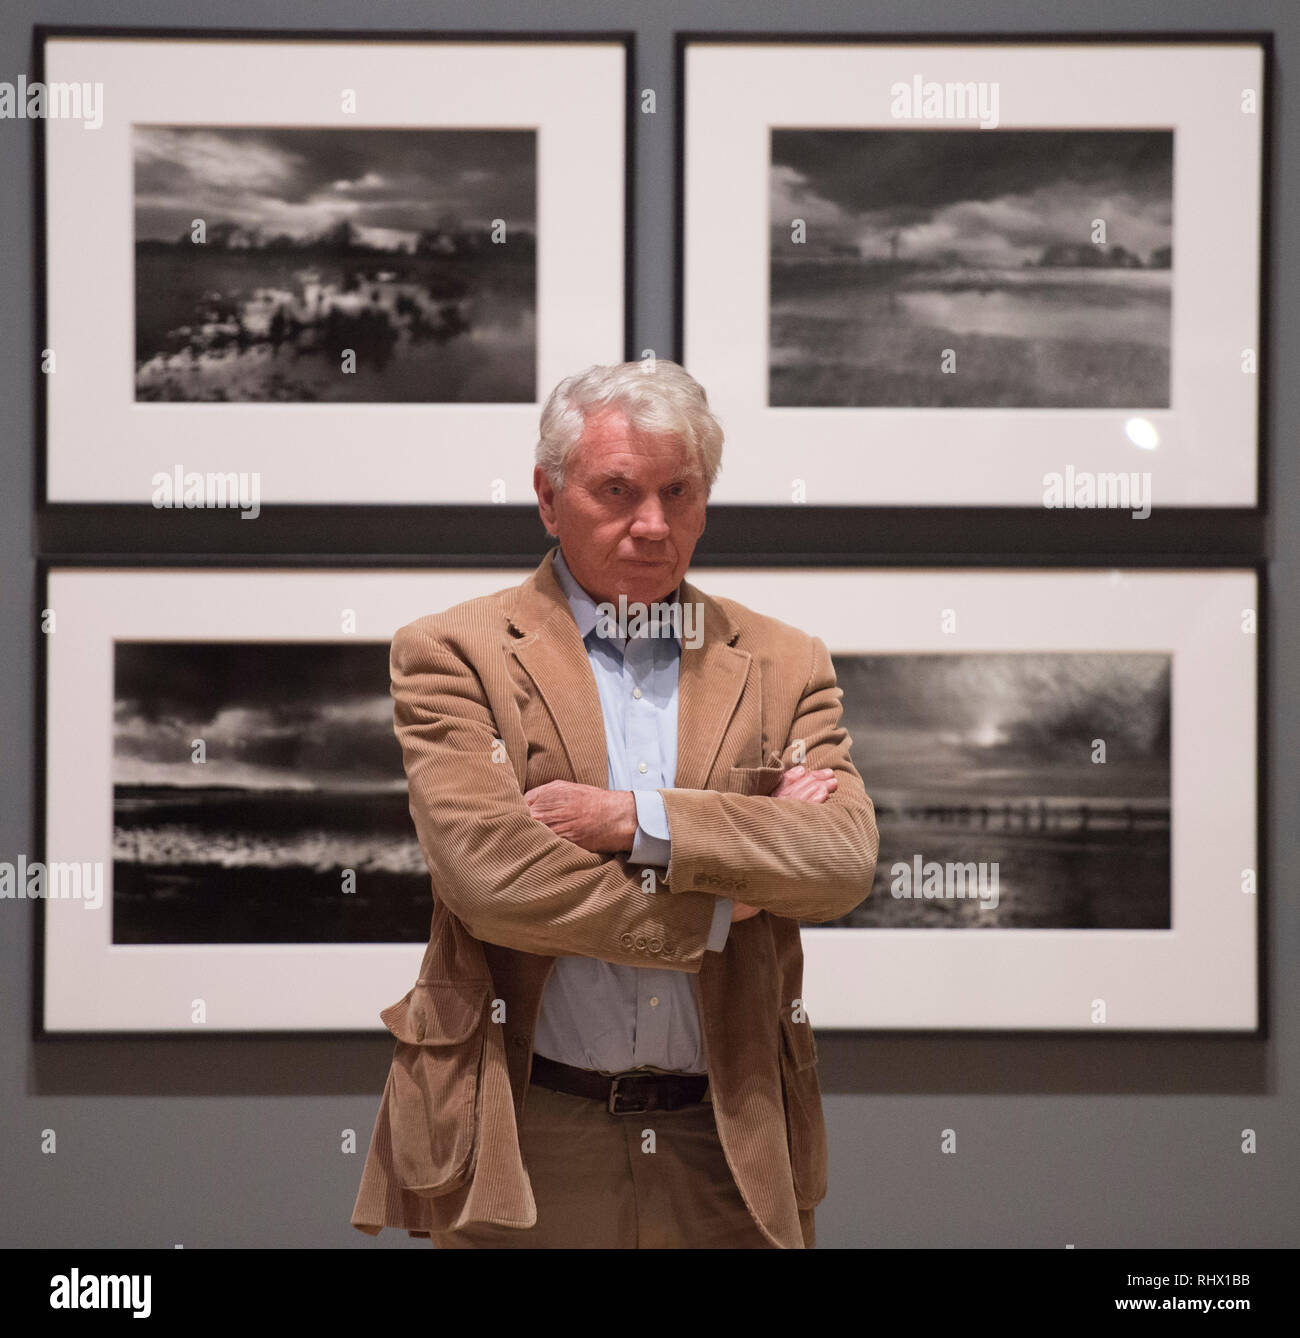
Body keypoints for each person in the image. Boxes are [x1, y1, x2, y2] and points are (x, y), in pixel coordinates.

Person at [351, 359, 878, 1248]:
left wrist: (637, 820)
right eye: (618, 491)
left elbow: (840, 863)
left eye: (680, 492)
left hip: (730, 1134)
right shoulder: (453, 653)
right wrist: (722, 903)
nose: (653, 525)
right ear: (549, 499)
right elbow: (496, 880)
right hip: (528, 1126)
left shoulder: (787, 661)